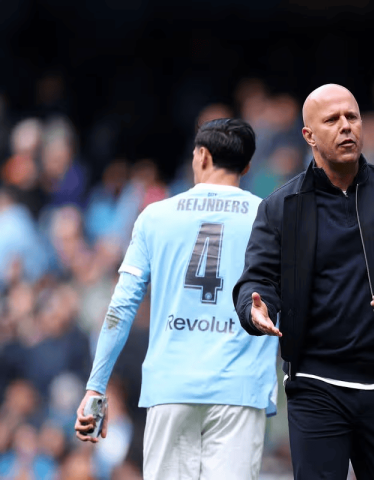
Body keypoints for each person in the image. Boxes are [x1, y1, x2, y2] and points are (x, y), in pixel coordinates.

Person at [233, 84, 374, 479]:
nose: (346, 126)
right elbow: (258, 280)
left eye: (352, 116)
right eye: (332, 120)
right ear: (309, 135)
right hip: (316, 386)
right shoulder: (281, 207)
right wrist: (256, 309)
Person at [74, 118, 279, 480]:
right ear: (247, 167)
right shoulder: (271, 217)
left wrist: (96, 386)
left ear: (201, 156)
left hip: (171, 387)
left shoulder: (155, 216)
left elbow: (121, 307)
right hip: (240, 388)